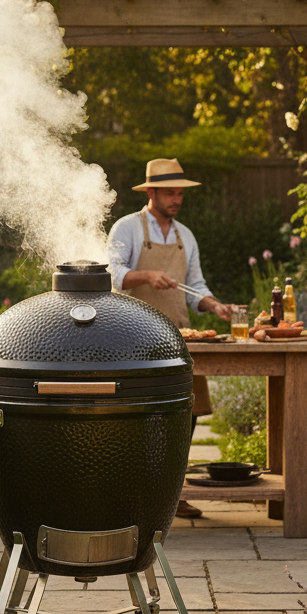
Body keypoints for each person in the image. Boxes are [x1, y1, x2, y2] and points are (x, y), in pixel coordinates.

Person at [107, 158, 233, 519]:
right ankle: (131, 497)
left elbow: (195, 287)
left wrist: (214, 305)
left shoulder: (185, 236)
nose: (176, 199)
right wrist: (145, 275)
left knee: (184, 416)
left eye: (180, 193)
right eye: (169, 193)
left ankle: (172, 496)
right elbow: (112, 275)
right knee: (136, 420)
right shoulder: (126, 228)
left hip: (180, 337)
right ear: (151, 193)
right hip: (133, 337)